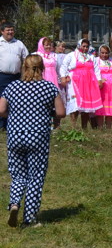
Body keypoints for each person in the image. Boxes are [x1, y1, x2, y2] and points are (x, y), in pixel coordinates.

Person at [1, 55, 65, 228]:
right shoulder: (49, 87)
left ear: (24, 67)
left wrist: (14, 116)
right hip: (38, 136)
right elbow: (60, 112)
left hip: (15, 135)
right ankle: (29, 218)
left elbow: (1, 110)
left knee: (18, 175)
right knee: (35, 177)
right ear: (42, 68)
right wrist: (48, 115)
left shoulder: (12, 86)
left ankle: (14, 203)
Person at [59, 38, 102, 129]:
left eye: (87, 46)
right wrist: (63, 76)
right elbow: (64, 66)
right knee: (75, 104)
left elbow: (97, 70)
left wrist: (99, 80)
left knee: (86, 106)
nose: (85, 48)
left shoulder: (91, 57)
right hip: (75, 83)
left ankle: (84, 127)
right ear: (79, 45)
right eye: (84, 46)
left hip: (88, 83)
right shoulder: (72, 55)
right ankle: (73, 127)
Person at [0, 22, 28, 130]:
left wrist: (25, 74)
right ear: (2, 31)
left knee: (14, 100)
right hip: (2, 76)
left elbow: (26, 58)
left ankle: (10, 123)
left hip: (16, 77)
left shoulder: (19, 43)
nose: (10, 32)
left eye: (12, 30)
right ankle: (1, 124)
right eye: (8, 30)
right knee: (1, 99)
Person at [94, 45, 112, 130]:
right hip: (101, 88)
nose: (104, 55)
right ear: (99, 52)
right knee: (101, 109)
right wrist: (99, 79)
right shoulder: (96, 61)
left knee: (110, 109)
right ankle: (100, 128)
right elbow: (93, 73)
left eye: (106, 53)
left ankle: (109, 128)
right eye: (102, 53)